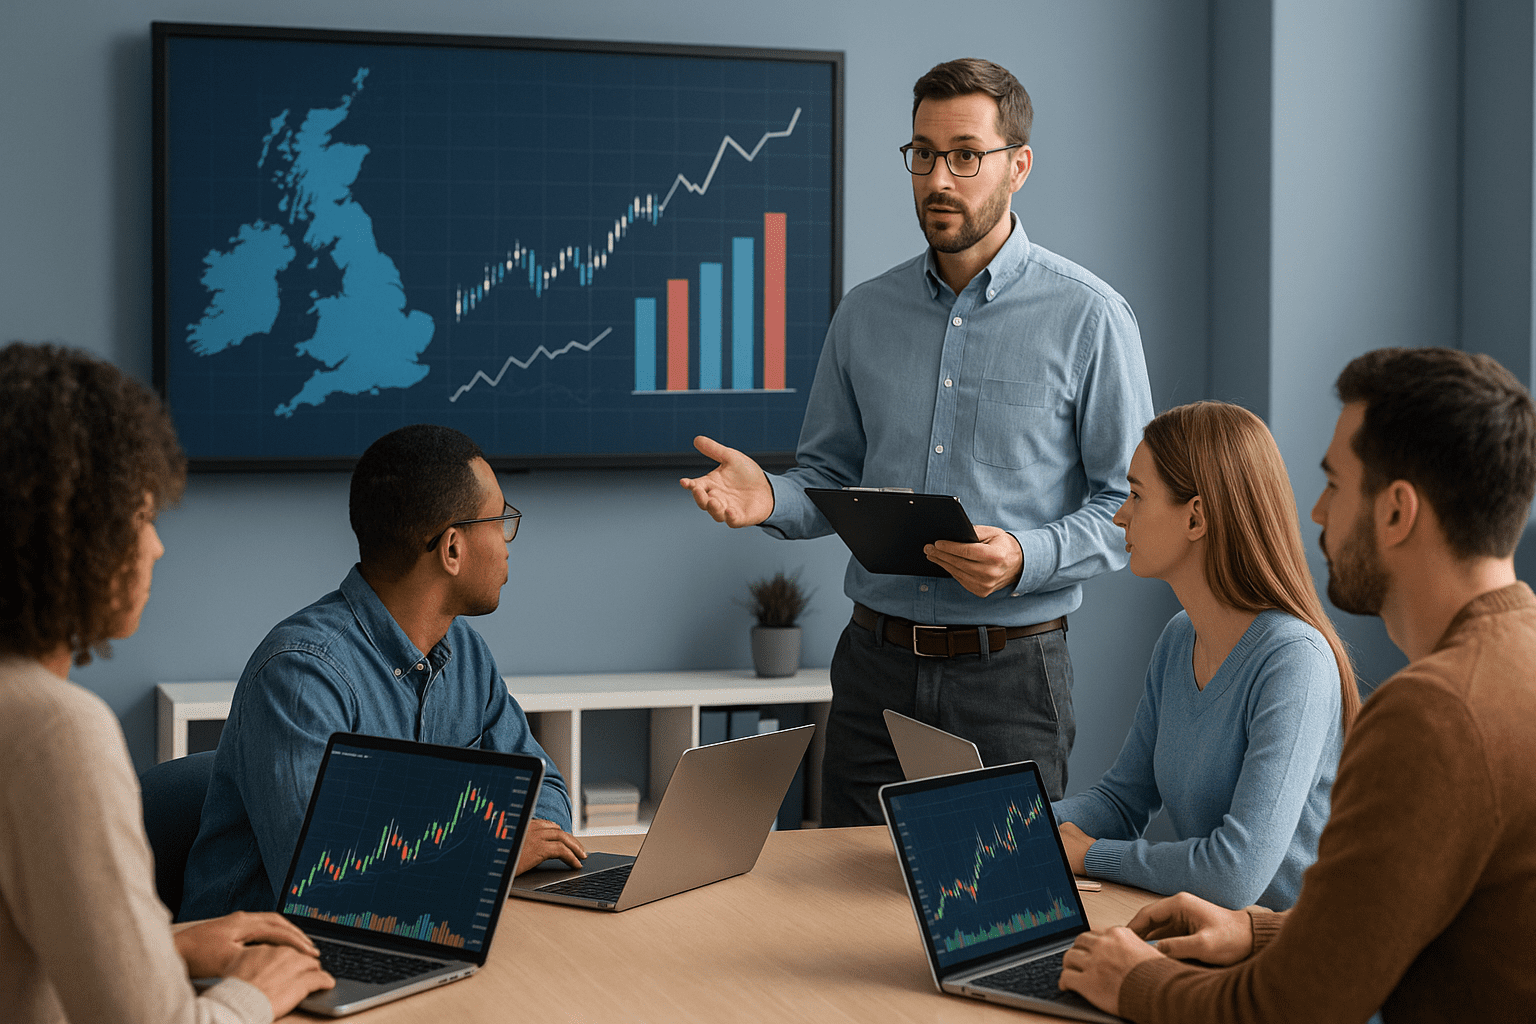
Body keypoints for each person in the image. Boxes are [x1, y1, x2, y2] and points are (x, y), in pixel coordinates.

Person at [681, 57, 1154, 825]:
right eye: (924, 154)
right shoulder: (864, 314)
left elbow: (1129, 507)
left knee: (1001, 924)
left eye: (966, 155)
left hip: (1011, 680)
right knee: (843, 912)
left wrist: (1025, 556)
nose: (939, 177)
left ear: (1018, 165)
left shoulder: (1090, 317)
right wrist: (771, 495)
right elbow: (829, 476)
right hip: (874, 672)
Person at [1059, 347, 1536, 1021]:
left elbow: (1291, 1005)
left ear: (1396, 512)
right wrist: (1255, 931)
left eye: (1335, 485)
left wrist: (1134, 983)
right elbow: (1400, 924)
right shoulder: (1512, 666)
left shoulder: (1434, 713)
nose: (1315, 512)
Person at [0, 341, 334, 1022]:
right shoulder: (54, 729)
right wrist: (257, 991)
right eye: (143, 517)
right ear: (76, 535)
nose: (156, 546)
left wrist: (164, 945)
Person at [181, 424, 583, 920]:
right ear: (452, 548)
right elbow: (322, 885)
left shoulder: (465, 656)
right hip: (272, 963)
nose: (507, 544)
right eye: (500, 521)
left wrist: (462, 853)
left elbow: (549, 801)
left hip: (422, 924)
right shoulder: (302, 676)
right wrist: (481, 852)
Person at [1051, 402, 1358, 911]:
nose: (1119, 513)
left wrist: (1094, 857)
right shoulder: (1179, 639)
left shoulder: (1294, 661)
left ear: (1195, 517)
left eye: (1135, 495)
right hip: (1213, 941)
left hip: (1286, 960)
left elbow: (1235, 876)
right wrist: (1012, 825)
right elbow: (1121, 801)